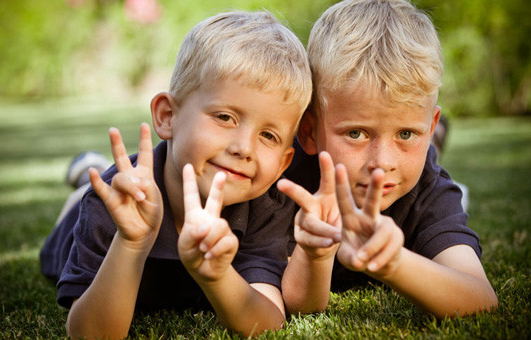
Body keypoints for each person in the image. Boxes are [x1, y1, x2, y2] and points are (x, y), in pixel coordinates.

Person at [40, 11, 312, 338]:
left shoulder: (266, 209)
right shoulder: (111, 204)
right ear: (168, 117)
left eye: (268, 136)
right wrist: (131, 241)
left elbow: (268, 323)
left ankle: (89, 169)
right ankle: (87, 179)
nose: (244, 148)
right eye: (225, 117)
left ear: (283, 164)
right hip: (75, 226)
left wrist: (218, 276)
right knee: (87, 195)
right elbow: (90, 334)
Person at [278, 0, 497, 318]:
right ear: (309, 132)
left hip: (425, 173)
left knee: (438, 179)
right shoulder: (283, 180)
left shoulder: (427, 190)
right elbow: (299, 305)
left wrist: (395, 263)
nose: (382, 163)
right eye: (356, 134)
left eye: (406, 134)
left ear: (430, 123)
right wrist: (314, 255)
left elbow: (482, 301)